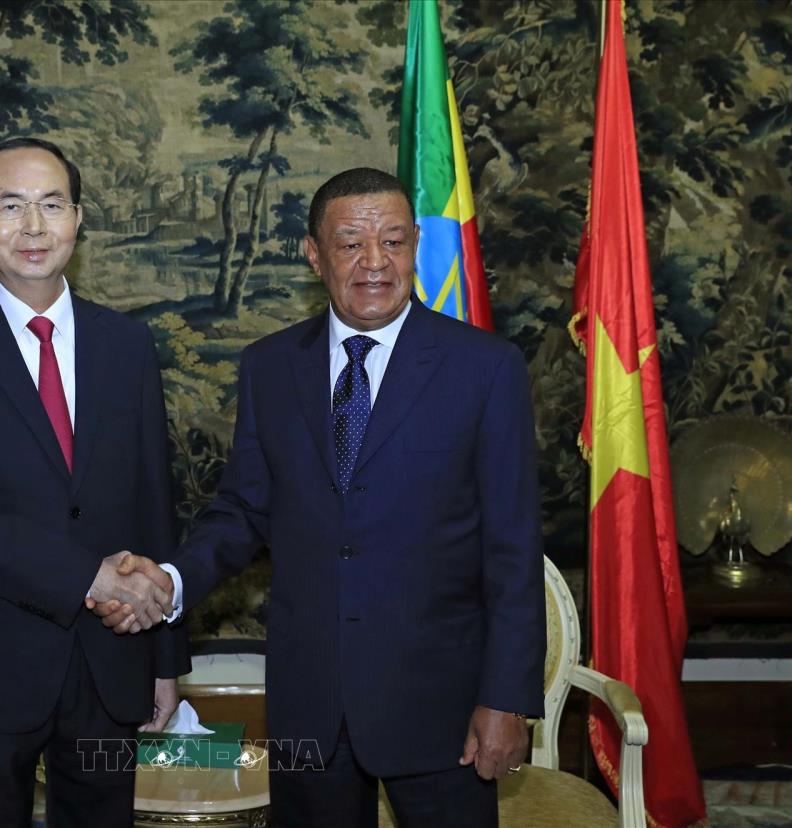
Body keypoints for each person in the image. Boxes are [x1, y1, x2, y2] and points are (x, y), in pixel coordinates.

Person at [96, 167, 546, 826]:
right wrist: (171, 580)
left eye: (393, 241)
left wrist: (506, 698)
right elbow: (243, 509)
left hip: (441, 705)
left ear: (415, 246)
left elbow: (513, 547)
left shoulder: (485, 368)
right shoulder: (270, 366)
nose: (375, 262)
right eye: (351, 244)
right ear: (314, 254)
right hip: (310, 701)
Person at [0, 136, 188, 828]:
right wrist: (90, 576)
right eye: (11, 206)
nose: (33, 227)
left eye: (52, 205)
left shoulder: (127, 346)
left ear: (77, 219)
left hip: (112, 660)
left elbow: (154, 501)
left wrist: (165, 660)